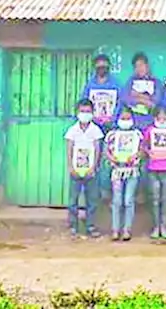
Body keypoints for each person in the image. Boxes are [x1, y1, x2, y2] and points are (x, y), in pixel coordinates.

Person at [81, 54, 125, 198]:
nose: (102, 68)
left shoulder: (116, 84)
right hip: (93, 126)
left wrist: (112, 119)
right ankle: (94, 192)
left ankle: (107, 191)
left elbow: (120, 103)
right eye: (99, 66)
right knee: (94, 157)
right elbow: (84, 103)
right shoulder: (90, 84)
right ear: (95, 67)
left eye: (104, 66)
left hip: (110, 127)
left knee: (109, 159)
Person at [64, 99, 104, 238]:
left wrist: (94, 167)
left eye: (88, 112)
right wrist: (70, 167)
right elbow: (69, 149)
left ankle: (90, 226)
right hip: (76, 169)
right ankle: (73, 226)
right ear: (77, 113)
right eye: (82, 111)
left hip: (91, 171)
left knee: (92, 199)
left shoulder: (96, 130)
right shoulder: (72, 130)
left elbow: (98, 150)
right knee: (73, 199)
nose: (85, 114)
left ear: (92, 113)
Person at [142, 107, 166, 240]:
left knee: (165, 198)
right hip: (153, 167)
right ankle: (155, 226)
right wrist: (149, 153)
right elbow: (144, 146)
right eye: (159, 118)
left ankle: (164, 226)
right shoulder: (150, 131)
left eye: (165, 118)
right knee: (154, 198)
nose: (162, 120)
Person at [105, 107, 143, 241]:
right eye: (123, 118)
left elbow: (142, 150)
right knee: (116, 200)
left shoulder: (137, 134)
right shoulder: (112, 135)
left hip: (132, 171)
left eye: (128, 118)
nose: (125, 121)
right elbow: (106, 152)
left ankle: (127, 230)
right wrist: (112, 158)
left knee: (128, 200)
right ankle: (115, 230)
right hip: (117, 171)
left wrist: (135, 156)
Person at [123, 52, 166, 131]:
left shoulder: (156, 82)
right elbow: (126, 99)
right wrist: (146, 99)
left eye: (141, 65)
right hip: (133, 124)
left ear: (147, 66)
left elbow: (156, 102)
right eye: (136, 66)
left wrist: (137, 95)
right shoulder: (130, 82)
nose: (139, 69)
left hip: (151, 124)